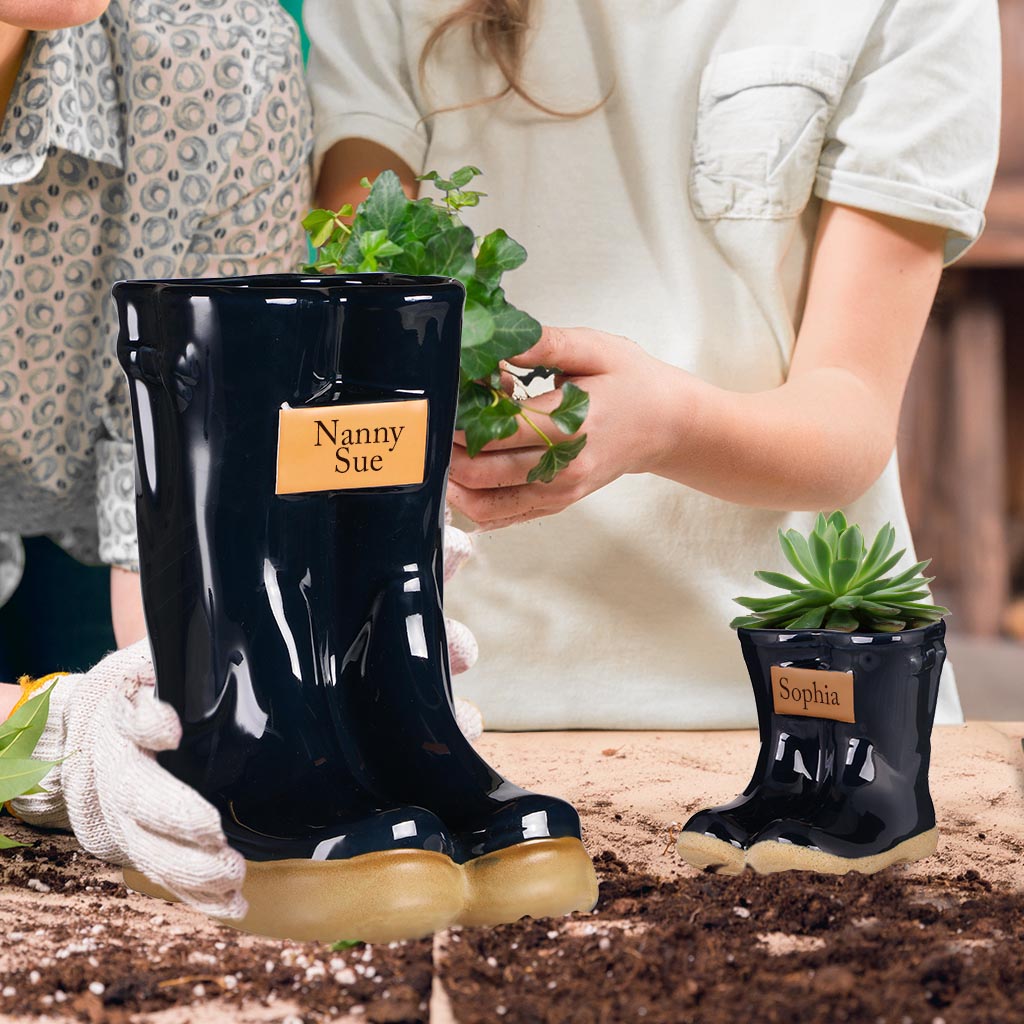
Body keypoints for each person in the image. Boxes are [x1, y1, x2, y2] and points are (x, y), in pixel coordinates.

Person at [306, 0, 1000, 731]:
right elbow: (362, 287)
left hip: (790, 707)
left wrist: (670, 426)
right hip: (456, 696)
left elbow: (851, 414)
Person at [0, 0, 312, 690]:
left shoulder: (219, 60)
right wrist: (58, 731)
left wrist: (182, 716)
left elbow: (190, 436)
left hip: (98, 533)